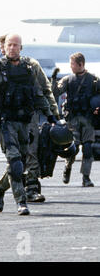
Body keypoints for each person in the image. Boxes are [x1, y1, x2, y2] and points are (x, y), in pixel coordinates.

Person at [0, 34, 57, 215]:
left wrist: (50, 115)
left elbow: (38, 94)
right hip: (7, 123)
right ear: (4, 47)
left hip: (26, 122)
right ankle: (21, 202)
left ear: (21, 48)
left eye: (16, 45)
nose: (12, 48)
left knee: (20, 164)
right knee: (14, 163)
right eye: (9, 45)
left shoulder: (30, 68)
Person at [51, 52, 99, 187]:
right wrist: (54, 79)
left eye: (72, 64)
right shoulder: (68, 80)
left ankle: (86, 177)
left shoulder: (94, 80)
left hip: (88, 119)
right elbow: (55, 92)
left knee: (88, 149)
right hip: (73, 119)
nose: (71, 66)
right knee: (74, 148)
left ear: (81, 64)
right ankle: (68, 165)